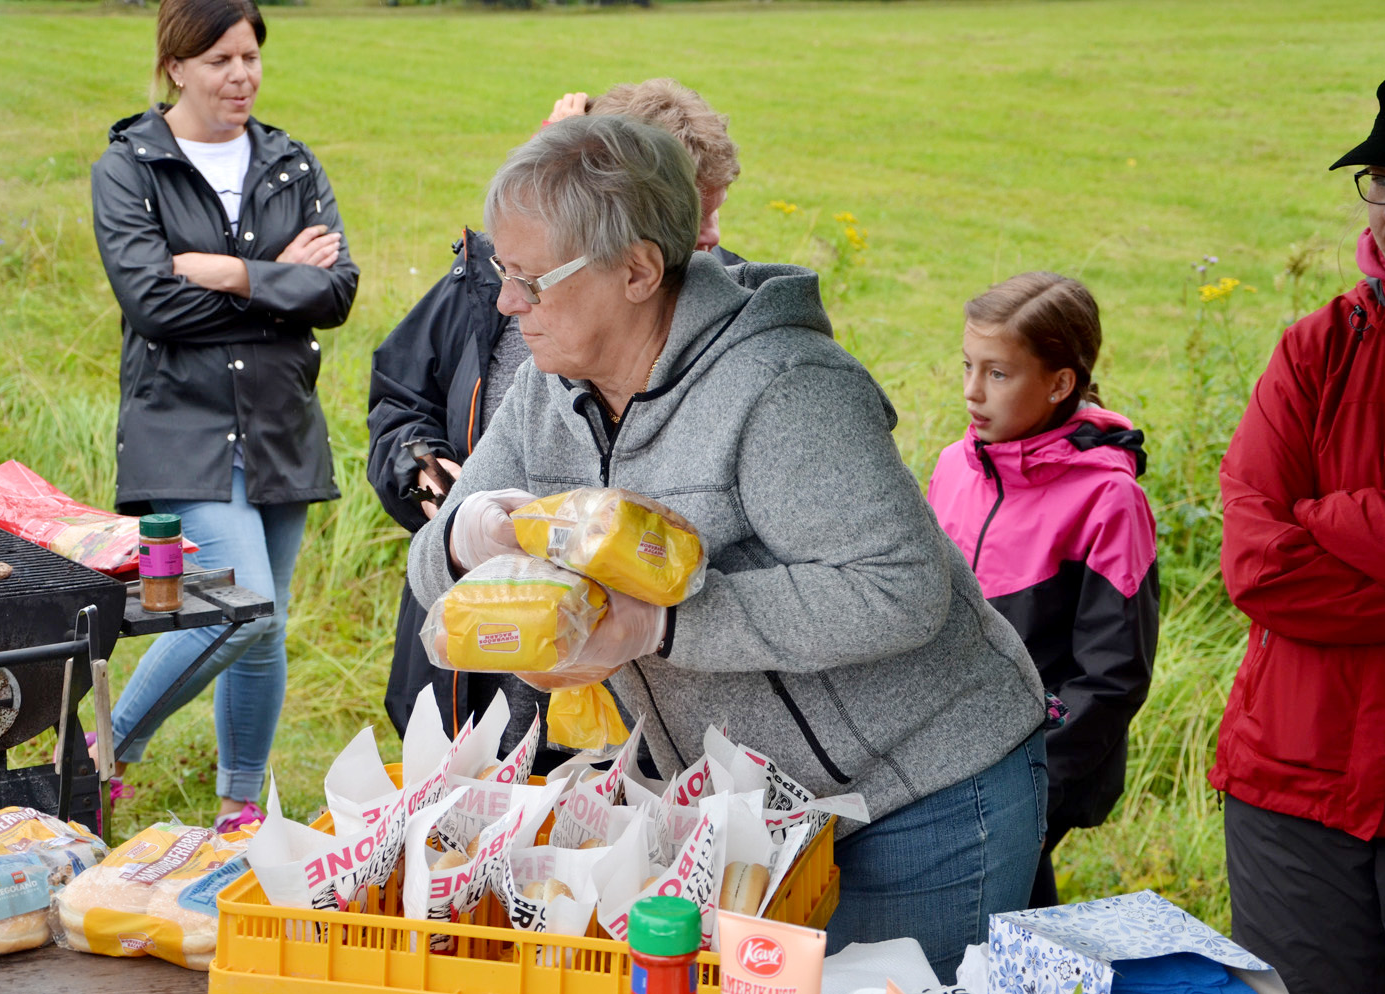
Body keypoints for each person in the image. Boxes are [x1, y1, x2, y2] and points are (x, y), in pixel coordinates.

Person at [406, 114, 1048, 981]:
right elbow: (430, 569)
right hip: (755, 811)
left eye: (530, 280)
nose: (505, 304)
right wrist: (468, 537)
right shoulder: (545, 389)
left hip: (920, 795)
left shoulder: (784, 388)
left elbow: (897, 587)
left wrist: (657, 628)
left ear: (638, 269)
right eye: (500, 272)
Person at [368, 79, 742, 751]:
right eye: (690, 207)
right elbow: (398, 407)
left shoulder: (728, 320)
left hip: (638, 720)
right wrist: (437, 496)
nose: (708, 233)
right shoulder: (490, 287)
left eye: (714, 208)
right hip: (482, 690)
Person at [89, 0, 358, 832]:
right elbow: (154, 305)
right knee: (243, 608)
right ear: (176, 66)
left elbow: (338, 292)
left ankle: (240, 804)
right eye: (219, 61)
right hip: (184, 422)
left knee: (263, 626)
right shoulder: (131, 165)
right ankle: (104, 747)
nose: (240, 76)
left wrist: (234, 274)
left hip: (280, 422)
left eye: (250, 57)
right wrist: (280, 282)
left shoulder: (290, 161)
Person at [1211, 71, 1385, 994]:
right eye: (1384, 180)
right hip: (1291, 784)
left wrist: (1334, 516)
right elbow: (1259, 565)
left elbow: (1295, 536)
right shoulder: (1314, 348)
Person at [926, 273, 1158, 907]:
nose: (973, 391)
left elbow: (1113, 677)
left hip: (1034, 772)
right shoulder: (954, 466)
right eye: (968, 366)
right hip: (936, 761)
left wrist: (1028, 784)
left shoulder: (1110, 500)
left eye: (999, 374)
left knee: (991, 915)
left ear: (1060, 383)